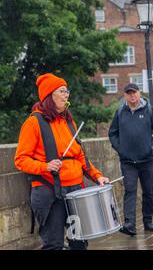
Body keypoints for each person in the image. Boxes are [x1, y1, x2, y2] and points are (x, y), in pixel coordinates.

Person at [15, 73, 109, 250]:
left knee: (80, 242)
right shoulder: (33, 123)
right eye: (62, 91)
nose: (67, 95)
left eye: (67, 91)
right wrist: (45, 166)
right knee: (54, 244)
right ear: (50, 95)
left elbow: (80, 156)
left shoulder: (68, 121)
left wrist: (98, 177)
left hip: (75, 192)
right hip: (49, 192)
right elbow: (20, 160)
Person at [108, 83, 153, 235]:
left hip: (146, 160)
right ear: (125, 95)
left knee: (148, 192)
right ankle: (130, 224)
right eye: (129, 93)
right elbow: (112, 133)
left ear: (139, 93)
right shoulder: (120, 112)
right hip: (127, 162)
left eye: (134, 92)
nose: (132, 95)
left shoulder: (150, 111)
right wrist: (120, 149)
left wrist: (151, 146)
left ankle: (148, 221)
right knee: (130, 191)